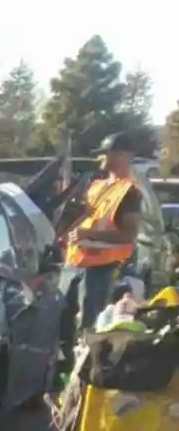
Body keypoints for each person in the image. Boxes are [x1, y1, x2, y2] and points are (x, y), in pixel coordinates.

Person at [66, 132, 145, 335]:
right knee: (67, 323)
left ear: (122, 156)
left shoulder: (129, 192)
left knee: (90, 326)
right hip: (77, 264)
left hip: (103, 269)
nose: (99, 158)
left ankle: (85, 364)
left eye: (105, 153)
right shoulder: (97, 185)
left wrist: (88, 234)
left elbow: (129, 235)